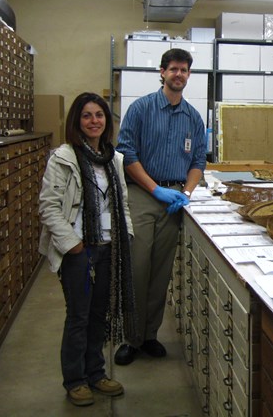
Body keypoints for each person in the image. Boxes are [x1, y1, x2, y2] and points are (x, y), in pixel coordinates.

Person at [38, 92, 136, 407]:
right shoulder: (63, 157)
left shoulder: (114, 159)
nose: (94, 121)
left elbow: (121, 203)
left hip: (110, 247)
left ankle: (96, 373)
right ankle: (75, 380)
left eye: (99, 115)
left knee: (99, 315)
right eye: (87, 116)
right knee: (78, 317)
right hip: (80, 252)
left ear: (107, 121)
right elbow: (49, 207)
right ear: (76, 121)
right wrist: (74, 245)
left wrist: (127, 235)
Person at [114, 48, 206, 366]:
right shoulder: (140, 109)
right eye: (173, 69)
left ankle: (149, 335)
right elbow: (126, 154)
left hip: (174, 200)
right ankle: (130, 338)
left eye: (184, 70)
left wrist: (187, 193)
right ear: (162, 72)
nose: (178, 74)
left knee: (160, 271)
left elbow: (197, 163)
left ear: (189, 75)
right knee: (137, 268)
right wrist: (155, 190)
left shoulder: (193, 117)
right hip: (142, 193)